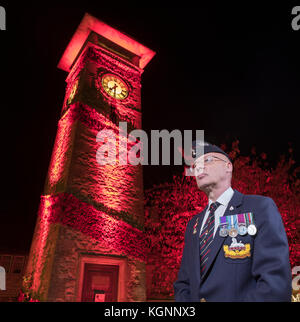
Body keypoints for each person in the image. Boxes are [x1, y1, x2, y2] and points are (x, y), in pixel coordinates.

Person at [174, 141, 292, 302]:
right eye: (195, 166)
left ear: (228, 167)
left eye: (207, 160)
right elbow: (184, 284)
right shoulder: (193, 225)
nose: (199, 168)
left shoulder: (259, 208)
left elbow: (275, 284)